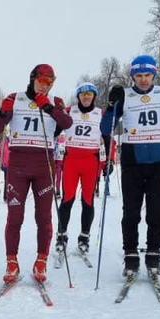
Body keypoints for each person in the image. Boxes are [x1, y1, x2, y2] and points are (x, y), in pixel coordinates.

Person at [103, 54, 160, 279]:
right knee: (130, 213)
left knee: (156, 213)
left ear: (154, 74)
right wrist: (111, 105)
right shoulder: (126, 95)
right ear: (132, 76)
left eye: (147, 75)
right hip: (132, 161)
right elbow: (106, 127)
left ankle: (153, 256)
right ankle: (130, 256)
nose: (143, 80)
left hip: (159, 162)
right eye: (139, 75)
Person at [0, 64, 74, 282]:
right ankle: (12, 262)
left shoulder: (55, 101)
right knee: (15, 216)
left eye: (51, 82)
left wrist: (49, 108)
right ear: (33, 78)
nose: (46, 86)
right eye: (43, 81)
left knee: (43, 216)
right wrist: (2, 112)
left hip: (44, 165)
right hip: (18, 165)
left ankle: (41, 261)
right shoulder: (14, 98)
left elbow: (67, 123)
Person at [56, 82, 110, 259]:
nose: (86, 97)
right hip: (71, 159)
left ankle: (84, 237)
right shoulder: (69, 110)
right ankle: (61, 235)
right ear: (78, 96)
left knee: (87, 200)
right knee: (68, 198)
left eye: (89, 94)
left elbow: (107, 137)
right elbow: (56, 129)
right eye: (83, 94)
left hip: (90, 161)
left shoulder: (100, 114)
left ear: (94, 96)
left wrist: (107, 160)